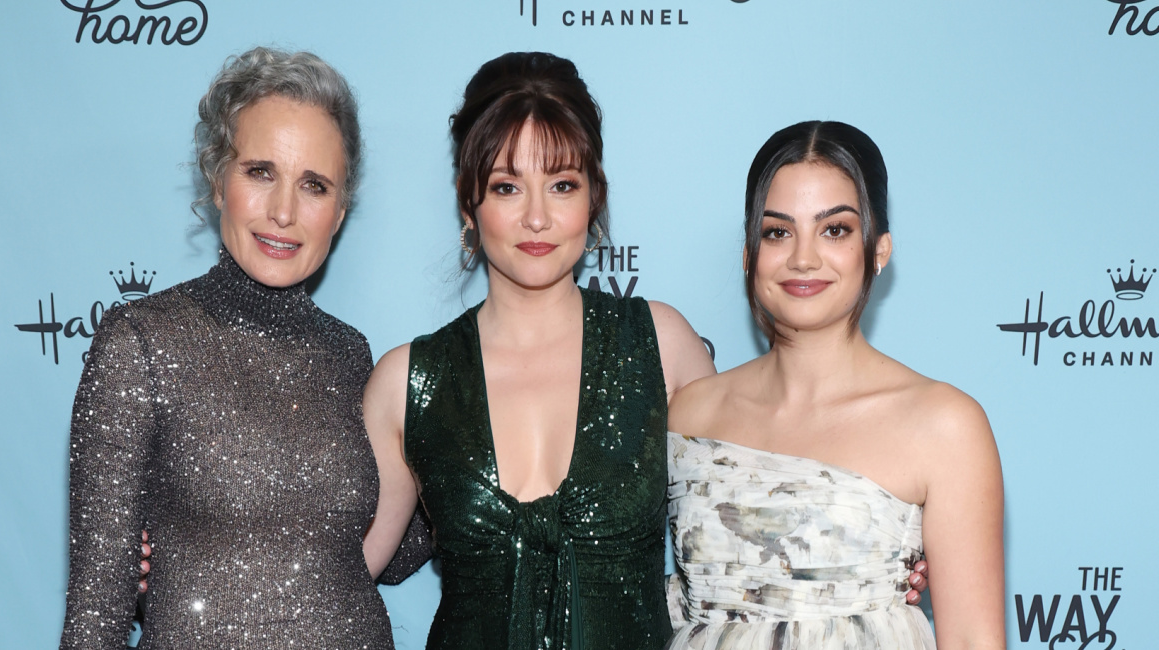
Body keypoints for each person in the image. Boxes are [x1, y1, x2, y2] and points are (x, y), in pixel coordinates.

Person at [59, 47, 428, 649]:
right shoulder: (141, 343)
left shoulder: (351, 353)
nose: (283, 212)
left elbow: (389, 557)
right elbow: (96, 617)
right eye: (260, 172)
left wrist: (463, 445)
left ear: (339, 212)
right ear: (216, 178)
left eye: (314, 185)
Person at [360, 52, 716, 650]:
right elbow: (345, 571)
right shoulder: (407, 381)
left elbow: (741, 539)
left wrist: (881, 552)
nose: (536, 217)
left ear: (594, 197)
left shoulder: (662, 344)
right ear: (467, 200)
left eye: (561, 185)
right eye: (506, 186)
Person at [665, 121, 1004, 649]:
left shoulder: (945, 425)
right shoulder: (689, 415)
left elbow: (972, 639)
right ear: (749, 253)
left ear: (879, 249)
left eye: (835, 229)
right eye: (777, 231)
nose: (803, 258)